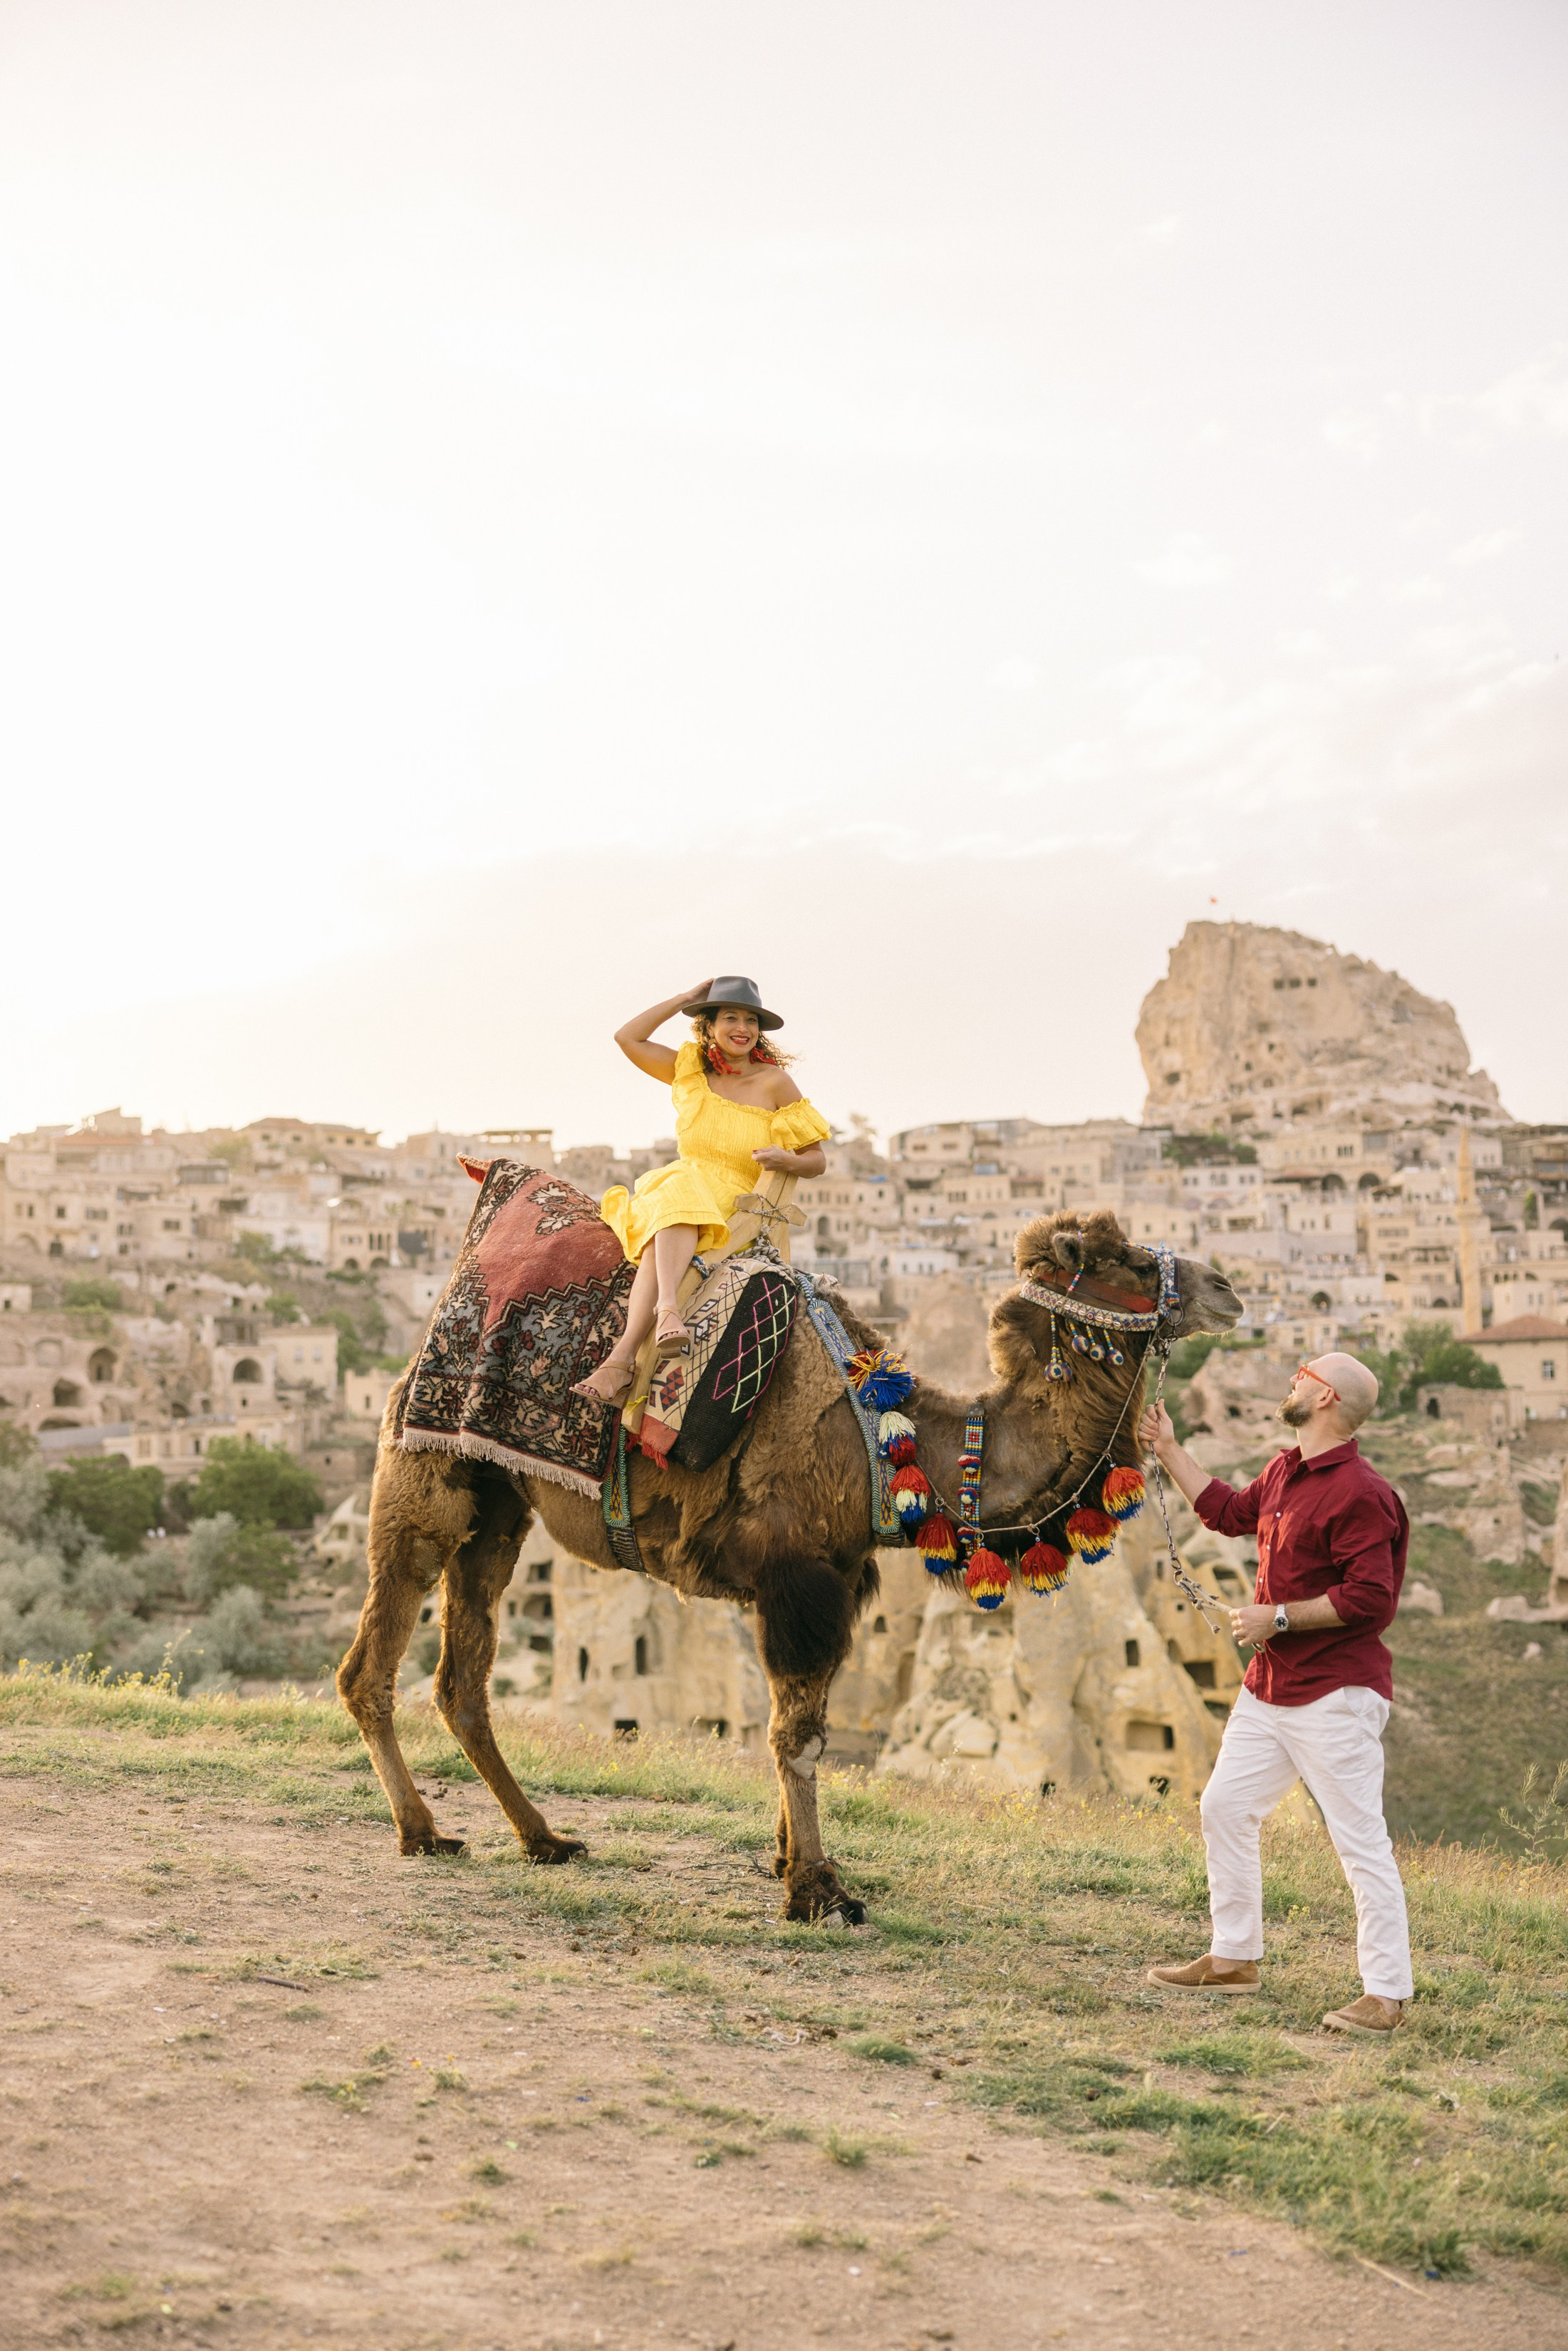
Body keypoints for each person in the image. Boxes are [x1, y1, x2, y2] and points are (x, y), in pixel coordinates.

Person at [1139, 1352, 1414, 2038]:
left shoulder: (1361, 1492)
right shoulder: (1285, 1469)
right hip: (1270, 1689)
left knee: (1359, 1844)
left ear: (1322, 1397)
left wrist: (1280, 1617)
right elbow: (1227, 1513)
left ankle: (1384, 1995)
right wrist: (1169, 1449)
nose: (1290, 1381)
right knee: (1226, 1809)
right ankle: (1234, 1959)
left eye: (1300, 1373)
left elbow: (1372, 1599)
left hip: (1335, 1693)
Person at [571, 977, 829, 1406]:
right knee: (674, 1191)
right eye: (730, 1017)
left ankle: (628, 1350)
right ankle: (656, 1324)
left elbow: (817, 1160)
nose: (741, 1026)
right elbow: (627, 1037)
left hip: (736, 1196)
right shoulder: (691, 1073)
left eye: (751, 1019)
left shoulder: (774, 1083)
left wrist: (786, 1161)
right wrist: (684, 999)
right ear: (708, 1026)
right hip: (683, 1184)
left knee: (671, 1201)